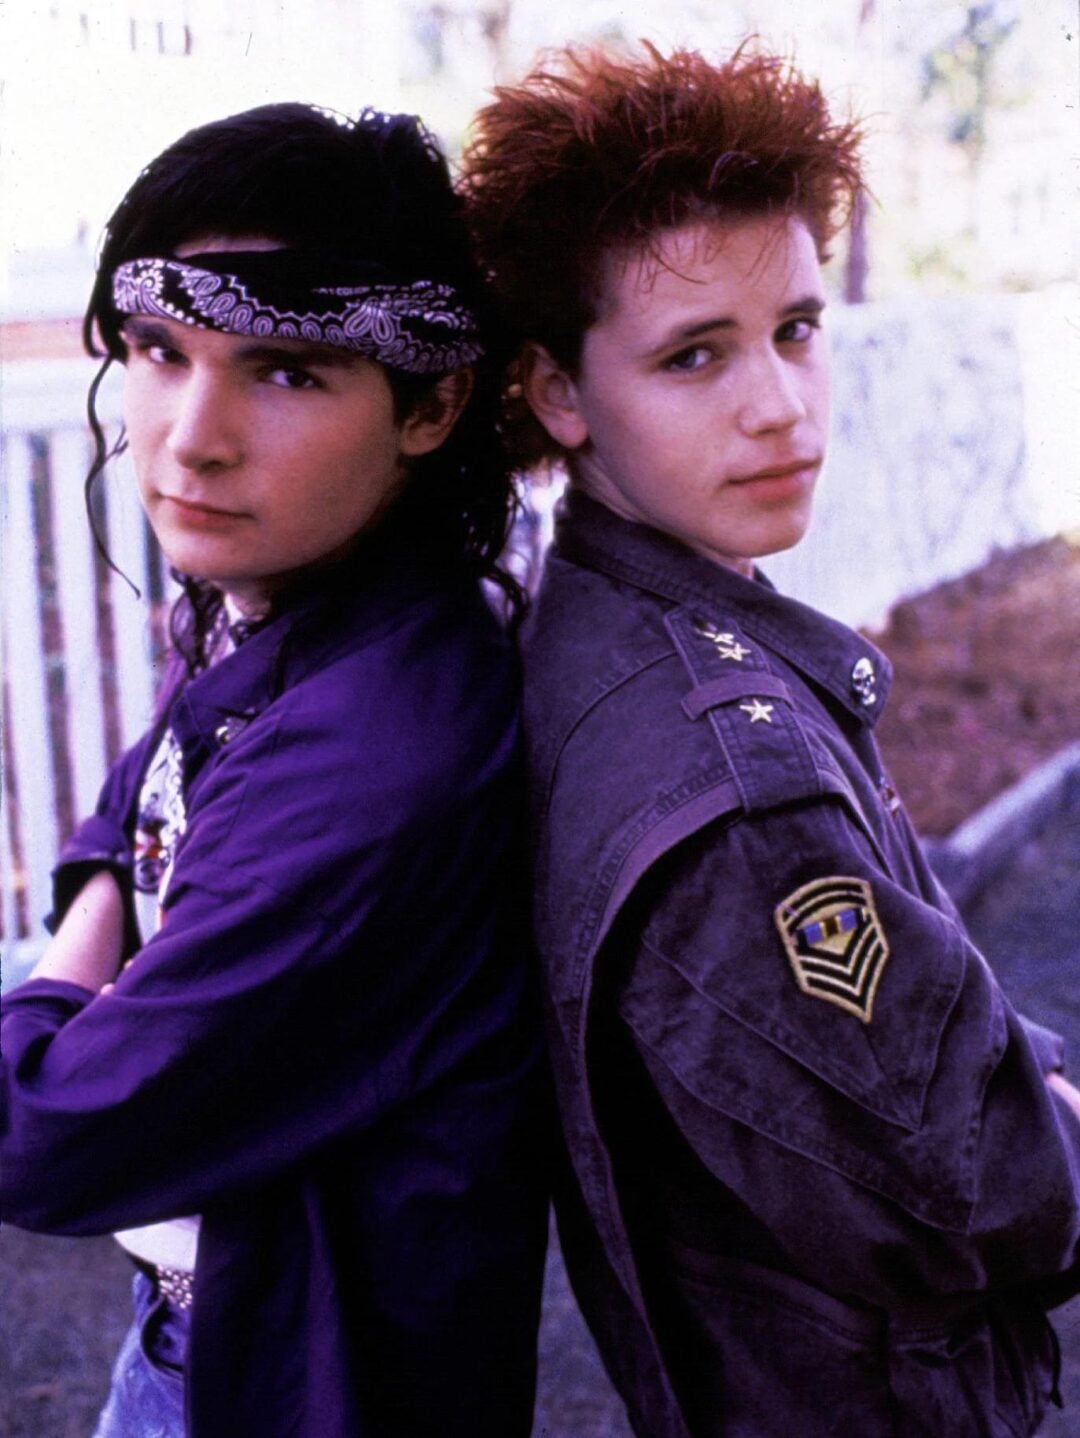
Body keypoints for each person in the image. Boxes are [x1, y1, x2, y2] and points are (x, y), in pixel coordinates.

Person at [460, 44, 1080, 1437]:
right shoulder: (737, 799)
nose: (779, 408)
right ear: (559, 392)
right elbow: (980, 1185)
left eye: (796, 327)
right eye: (695, 354)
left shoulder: (605, 610)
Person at [1, 103, 548, 1438]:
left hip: (285, 1380)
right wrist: (100, 900)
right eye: (158, 350)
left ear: (432, 402)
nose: (191, 434)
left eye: (287, 371)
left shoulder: (385, 749)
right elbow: (140, 788)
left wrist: (58, 986)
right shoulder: (306, 604)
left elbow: (44, 1136)